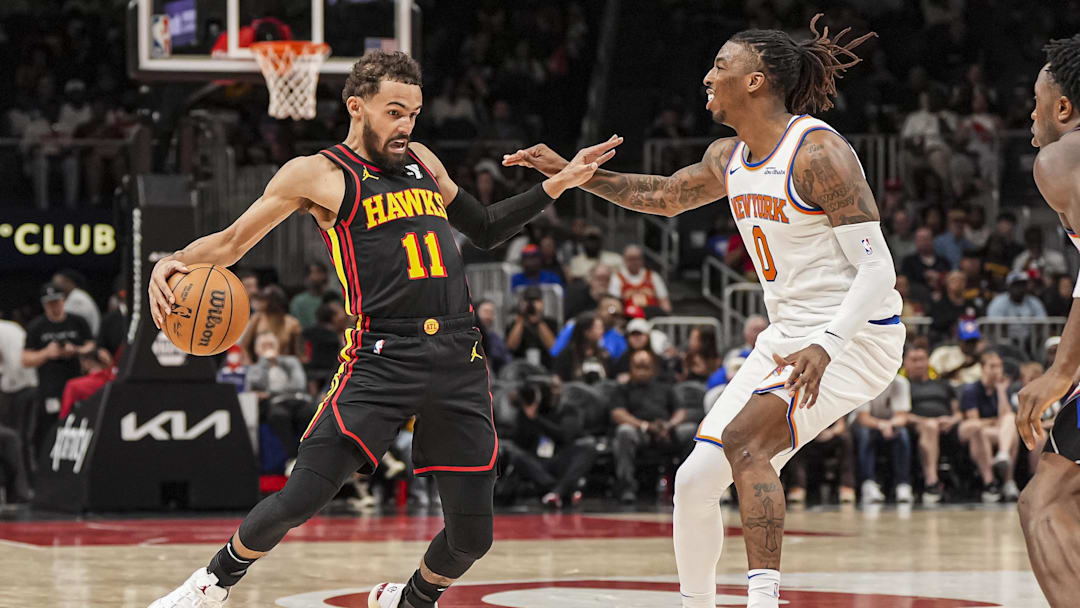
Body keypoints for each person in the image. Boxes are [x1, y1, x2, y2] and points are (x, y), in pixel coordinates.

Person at [145, 50, 615, 608]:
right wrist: (170, 259)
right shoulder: (318, 174)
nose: (406, 126)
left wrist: (559, 183)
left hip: (459, 354)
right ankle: (210, 584)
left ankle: (408, 600)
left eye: (413, 113)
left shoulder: (420, 159)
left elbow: (485, 228)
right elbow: (228, 244)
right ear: (356, 107)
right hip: (383, 353)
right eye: (395, 112)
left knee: (473, 537)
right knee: (304, 494)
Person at [505, 15, 902, 608]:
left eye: (721, 65)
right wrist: (574, 175)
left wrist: (825, 345)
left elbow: (879, 271)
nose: (708, 76)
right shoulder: (729, 157)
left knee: (746, 444)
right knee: (693, 481)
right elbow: (664, 197)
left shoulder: (818, 152)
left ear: (755, 81)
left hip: (856, 336)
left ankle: (763, 600)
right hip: (787, 336)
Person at [1014, 35, 1080, 608]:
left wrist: (1062, 368)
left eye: (1036, 98)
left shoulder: (1063, 156)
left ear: (1062, 108)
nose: (1029, 111)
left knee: (1046, 503)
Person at [21, 283, 95, 461]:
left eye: (57, 302)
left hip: (76, 386)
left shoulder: (77, 322)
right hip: (50, 388)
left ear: (63, 301)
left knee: (77, 426)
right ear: (44, 305)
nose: (54, 307)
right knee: (48, 429)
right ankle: (46, 465)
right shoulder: (37, 327)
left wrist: (75, 349)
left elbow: (91, 345)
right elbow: (25, 359)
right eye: (49, 304)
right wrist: (47, 353)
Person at [610, 348, 694, 503]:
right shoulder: (622, 388)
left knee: (691, 431)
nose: (642, 371)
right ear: (631, 368)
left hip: (666, 431)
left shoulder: (665, 387)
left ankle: (685, 485)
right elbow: (618, 414)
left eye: (646, 367)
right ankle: (627, 488)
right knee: (624, 431)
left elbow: (681, 412)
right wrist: (645, 426)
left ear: (653, 369)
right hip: (640, 431)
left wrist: (669, 425)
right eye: (638, 367)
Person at [499, 382, 597, 508]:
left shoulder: (568, 410)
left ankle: (559, 491)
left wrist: (537, 420)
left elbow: (564, 436)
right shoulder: (526, 412)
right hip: (536, 464)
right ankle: (561, 491)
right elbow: (520, 442)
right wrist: (527, 415)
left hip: (560, 459)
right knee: (514, 453)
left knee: (588, 445)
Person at [902, 345, 962, 505]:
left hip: (949, 426)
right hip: (917, 427)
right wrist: (924, 421)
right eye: (914, 360)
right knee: (930, 427)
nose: (919, 364)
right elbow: (900, 415)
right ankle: (932, 482)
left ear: (928, 362)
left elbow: (958, 413)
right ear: (905, 363)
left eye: (922, 360)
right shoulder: (903, 385)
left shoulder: (943, 384)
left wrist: (951, 420)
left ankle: (991, 484)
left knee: (975, 428)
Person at [958, 350, 1019, 503]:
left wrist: (1001, 392)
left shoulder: (1003, 389)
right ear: (982, 368)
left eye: (999, 366)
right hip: (975, 431)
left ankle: (1007, 477)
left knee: (1011, 424)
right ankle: (989, 482)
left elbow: (1006, 416)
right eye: (992, 366)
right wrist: (996, 422)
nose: (997, 370)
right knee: (981, 431)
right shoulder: (972, 389)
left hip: (995, 432)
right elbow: (975, 420)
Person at [852, 374, 914, 504]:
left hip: (889, 424)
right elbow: (863, 418)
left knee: (902, 434)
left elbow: (902, 417)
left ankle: (902, 484)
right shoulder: (862, 380)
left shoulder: (901, 382)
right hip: (862, 424)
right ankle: (868, 483)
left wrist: (889, 425)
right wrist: (881, 425)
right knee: (866, 434)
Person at [240, 285, 304, 362]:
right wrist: (249, 364)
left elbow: (298, 353)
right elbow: (244, 346)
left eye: (263, 300)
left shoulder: (292, 323)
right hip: (260, 366)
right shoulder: (257, 318)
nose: (260, 302)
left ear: (273, 302)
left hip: (284, 365)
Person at [986, 271, 1048, 344]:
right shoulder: (998, 302)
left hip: (1030, 343)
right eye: (1016, 285)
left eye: (1022, 284)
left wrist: (1033, 340)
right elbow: (995, 327)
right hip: (1005, 343)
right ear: (1008, 286)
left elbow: (1041, 323)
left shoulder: (1034, 301)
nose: (1020, 288)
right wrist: (1011, 342)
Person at [609, 245, 673, 315]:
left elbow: (665, 303)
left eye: (637, 258)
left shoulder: (653, 276)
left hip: (652, 318)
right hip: (628, 318)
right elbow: (614, 303)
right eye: (631, 259)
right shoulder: (617, 278)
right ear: (624, 260)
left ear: (642, 260)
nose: (634, 262)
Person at [505, 287, 559, 369]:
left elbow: (553, 348)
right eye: (528, 301)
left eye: (535, 301)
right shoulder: (515, 323)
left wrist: (538, 321)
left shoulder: (550, 323)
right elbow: (511, 346)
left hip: (545, 367)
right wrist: (522, 319)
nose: (531, 304)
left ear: (542, 303)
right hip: (520, 368)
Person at [552, 312, 610, 383]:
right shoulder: (568, 354)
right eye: (598, 328)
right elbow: (557, 377)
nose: (602, 331)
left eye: (602, 328)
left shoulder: (604, 354)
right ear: (586, 332)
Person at [52, 269, 101, 336]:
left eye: (57, 284)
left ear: (68, 282)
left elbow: (71, 326)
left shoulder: (77, 299)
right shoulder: (76, 296)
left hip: (85, 341)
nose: (54, 287)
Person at [289, 263, 333, 329]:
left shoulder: (334, 297)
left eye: (320, 272)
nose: (318, 277)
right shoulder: (298, 302)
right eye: (314, 273)